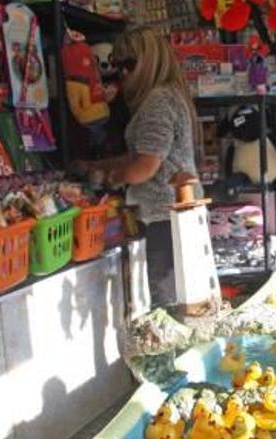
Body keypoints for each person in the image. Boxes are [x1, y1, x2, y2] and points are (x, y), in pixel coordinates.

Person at [76, 27, 200, 307]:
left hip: (166, 215)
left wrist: (108, 177)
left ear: (150, 62)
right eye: (118, 66)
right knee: (178, 294)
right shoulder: (166, 97)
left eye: (129, 65)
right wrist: (98, 164)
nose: (122, 73)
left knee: (167, 298)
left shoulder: (158, 101)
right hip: (173, 214)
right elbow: (139, 156)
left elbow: (144, 166)